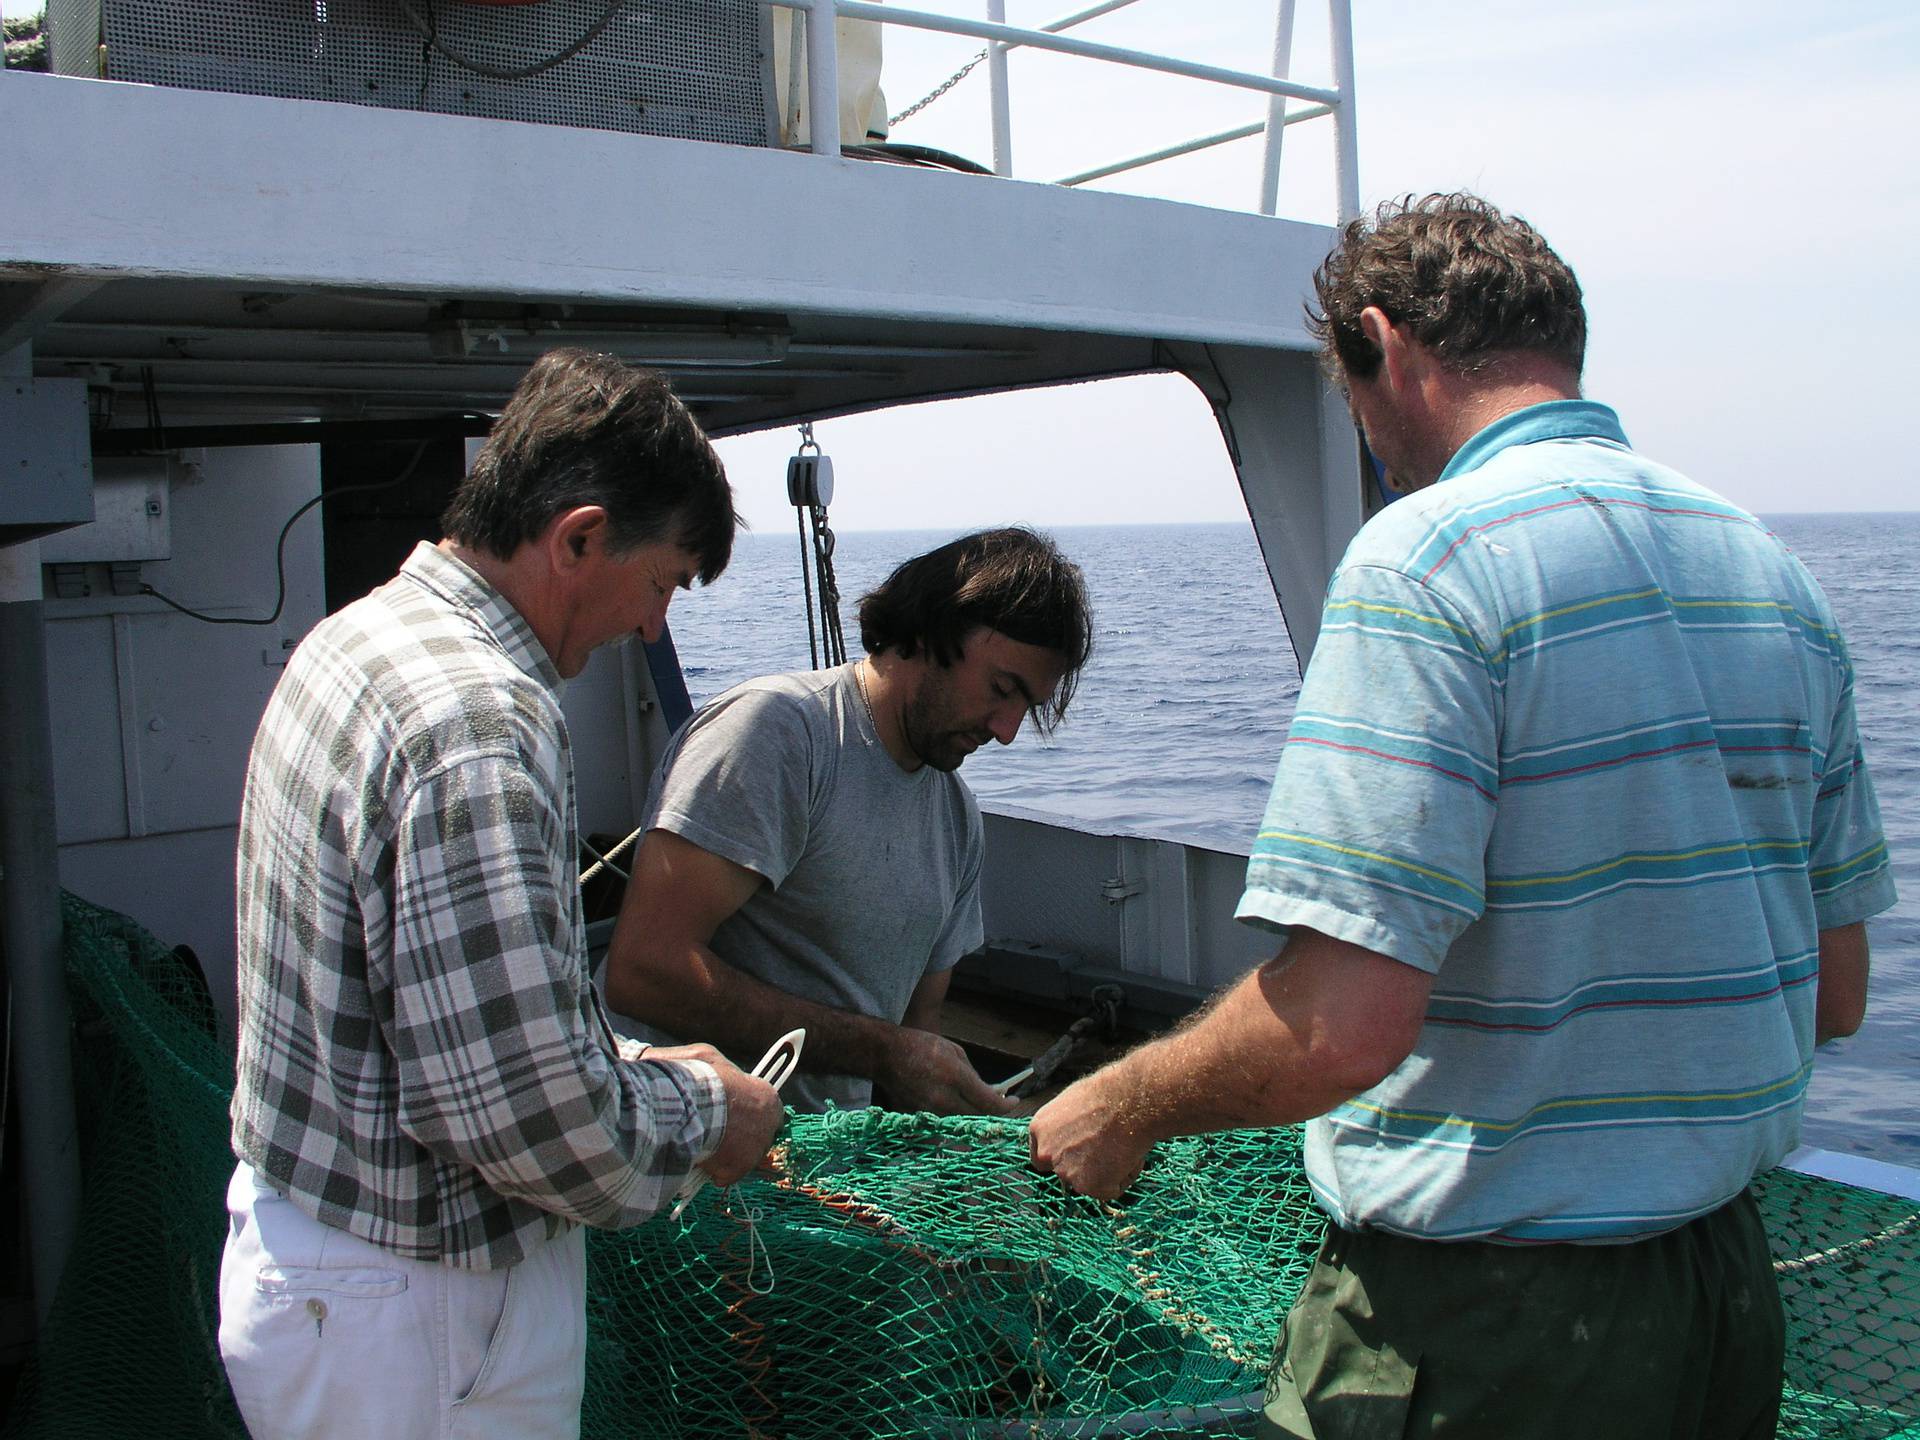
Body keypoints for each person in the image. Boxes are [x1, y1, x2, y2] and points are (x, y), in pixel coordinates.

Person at [1027, 194, 1894, 1439]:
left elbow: (1337, 1032)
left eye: (1356, 404)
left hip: (1491, 1330)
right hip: (1720, 1304)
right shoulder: (1774, 574)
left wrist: (1122, 1108)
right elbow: (1837, 991)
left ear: (1384, 345)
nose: (1372, 446)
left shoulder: (1427, 563)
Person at [218, 348, 787, 1440]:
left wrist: (629, 1064)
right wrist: (715, 1108)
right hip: (418, 1318)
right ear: (577, 538)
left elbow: (420, 1025)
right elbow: (534, 1126)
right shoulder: (481, 723)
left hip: (326, 1267)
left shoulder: (358, 638)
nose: (654, 624)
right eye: (661, 581)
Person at [603, 526, 1093, 1115]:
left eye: (1026, 707)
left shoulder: (958, 821)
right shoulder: (778, 735)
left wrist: (984, 1126)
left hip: (814, 1184)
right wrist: (882, 1053)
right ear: (930, 631)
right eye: (1000, 688)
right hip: (671, 1151)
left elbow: (917, 1041)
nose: (1007, 731)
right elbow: (643, 970)